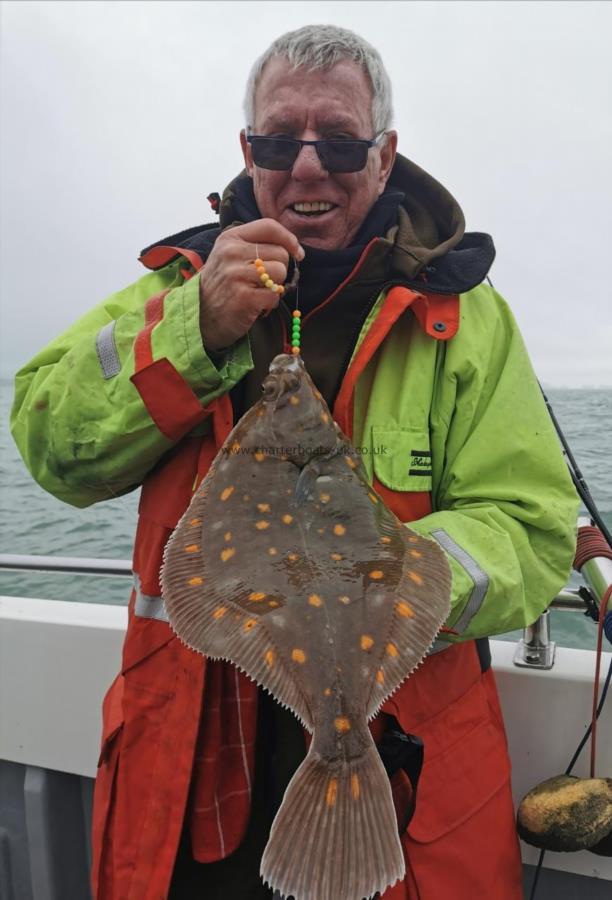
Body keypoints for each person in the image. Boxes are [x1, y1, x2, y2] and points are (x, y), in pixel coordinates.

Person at [11, 24, 578, 900]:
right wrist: (191, 330)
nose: (308, 165)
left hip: (402, 775)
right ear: (249, 151)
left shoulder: (467, 319)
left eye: (341, 141)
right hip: (193, 774)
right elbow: (49, 443)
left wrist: (390, 585)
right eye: (281, 140)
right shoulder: (174, 286)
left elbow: (534, 530)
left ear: (385, 157)